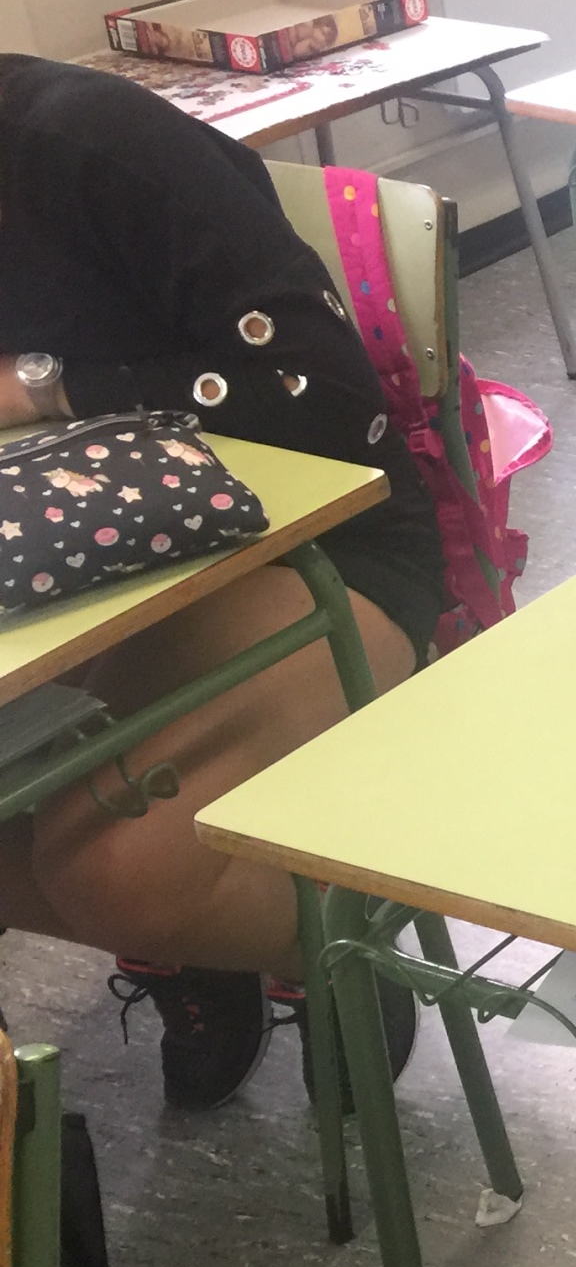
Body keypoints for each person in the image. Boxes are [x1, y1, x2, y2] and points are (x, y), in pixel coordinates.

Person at [0, 55, 446, 1109]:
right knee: (90, 858)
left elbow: (320, 397)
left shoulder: (92, 142)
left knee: (113, 865)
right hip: (66, 569)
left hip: (315, 543)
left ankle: (322, 941)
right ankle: (204, 934)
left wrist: (44, 386)